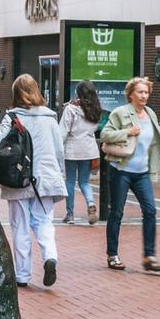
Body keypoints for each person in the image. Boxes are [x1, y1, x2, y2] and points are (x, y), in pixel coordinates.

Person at [0, 74, 66, 288]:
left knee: (20, 227)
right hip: (46, 179)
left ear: (15, 94)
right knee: (44, 222)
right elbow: (59, 150)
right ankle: (50, 257)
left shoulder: (12, 117)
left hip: (18, 179)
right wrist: (58, 173)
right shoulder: (50, 118)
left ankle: (23, 275)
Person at [99, 77, 160, 272]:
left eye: (146, 92)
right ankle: (112, 254)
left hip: (142, 172)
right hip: (121, 169)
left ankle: (149, 256)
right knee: (117, 212)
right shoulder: (121, 113)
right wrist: (127, 131)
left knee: (150, 210)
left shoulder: (151, 114)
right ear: (131, 94)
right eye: (140, 92)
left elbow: (154, 143)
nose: (144, 95)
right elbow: (105, 135)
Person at [59, 81, 102, 225]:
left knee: (70, 181)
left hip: (72, 149)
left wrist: (58, 147)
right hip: (89, 149)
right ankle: (90, 203)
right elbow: (95, 129)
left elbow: (63, 132)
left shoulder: (71, 109)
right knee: (84, 181)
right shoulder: (96, 109)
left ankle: (70, 214)